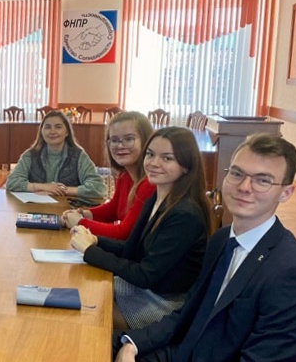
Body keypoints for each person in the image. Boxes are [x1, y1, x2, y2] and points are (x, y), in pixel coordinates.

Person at [114, 133, 296, 362]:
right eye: (237, 173)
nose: (244, 187)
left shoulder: (289, 270)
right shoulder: (221, 239)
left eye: (263, 181)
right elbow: (187, 313)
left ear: (286, 193)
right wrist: (132, 344)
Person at [70, 127, 213, 330]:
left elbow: (145, 275)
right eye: (150, 154)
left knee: (85, 314)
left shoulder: (185, 214)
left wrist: (90, 251)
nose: (153, 163)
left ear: (186, 166)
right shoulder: (157, 197)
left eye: (167, 158)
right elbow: (132, 248)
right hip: (147, 289)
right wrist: (96, 240)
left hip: (166, 303)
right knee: (79, 289)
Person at [61, 111, 156, 239]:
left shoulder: (149, 183)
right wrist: (84, 214)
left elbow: (124, 233)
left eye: (129, 139)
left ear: (146, 141)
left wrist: (80, 222)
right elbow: (114, 209)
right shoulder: (124, 175)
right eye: (114, 140)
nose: (120, 145)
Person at [6, 110, 105, 198]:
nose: (52, 132)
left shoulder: (78, 155)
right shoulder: (30, 155)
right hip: (36, 207)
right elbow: (12, 182)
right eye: (47, 127)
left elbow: (98, 187)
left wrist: (62, 190)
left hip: (68, 208)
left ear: (67, 132)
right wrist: (43, 187)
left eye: (58, 127)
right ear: (41, 132)